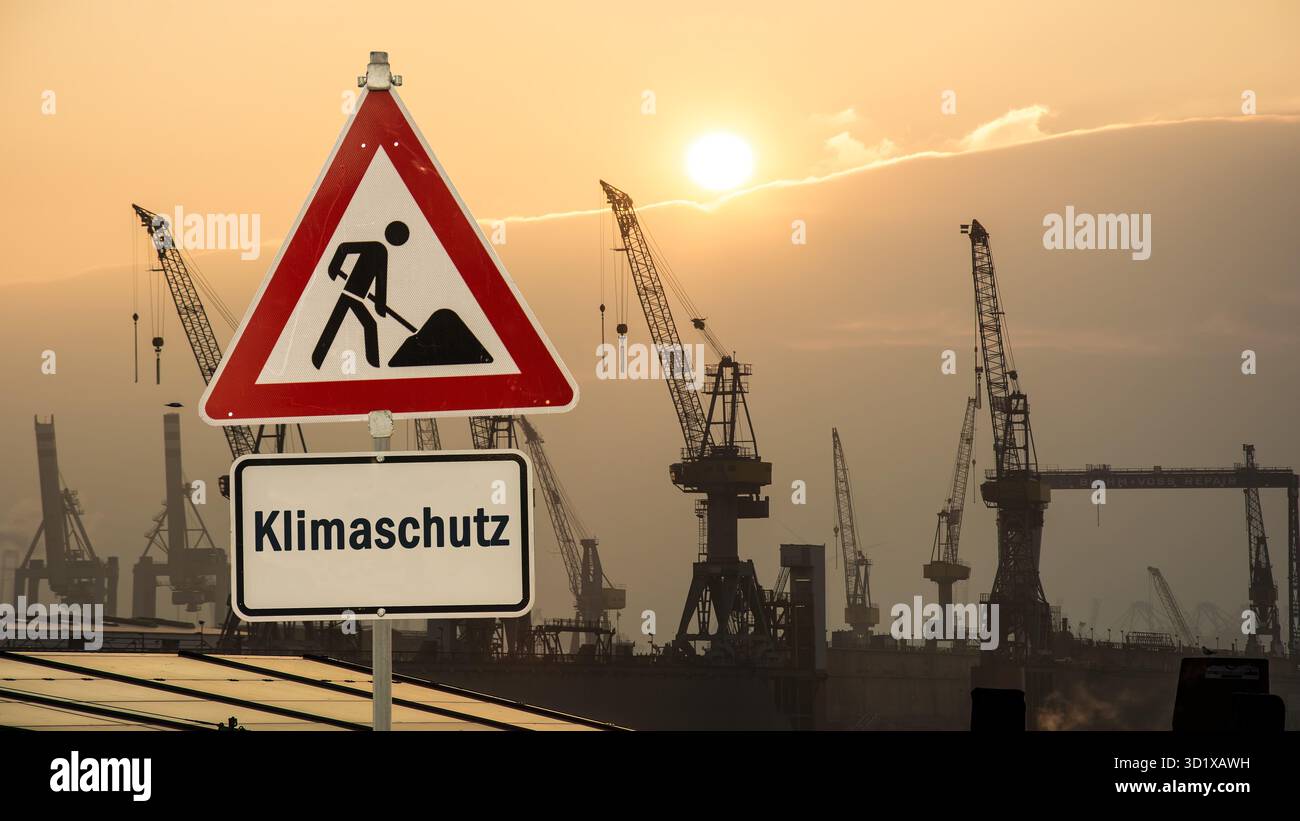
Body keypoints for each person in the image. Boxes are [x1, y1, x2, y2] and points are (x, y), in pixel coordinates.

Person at [311, 220, 409, 369]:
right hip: (350, 294)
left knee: (344, 323)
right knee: (366, 324)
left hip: (355, 296)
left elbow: (380, 282)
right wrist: (334, 268)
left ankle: (318, 358)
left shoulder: (380, 250)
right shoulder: (378, 248)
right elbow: (344, 248)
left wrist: (379, 306)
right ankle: (318, 359)